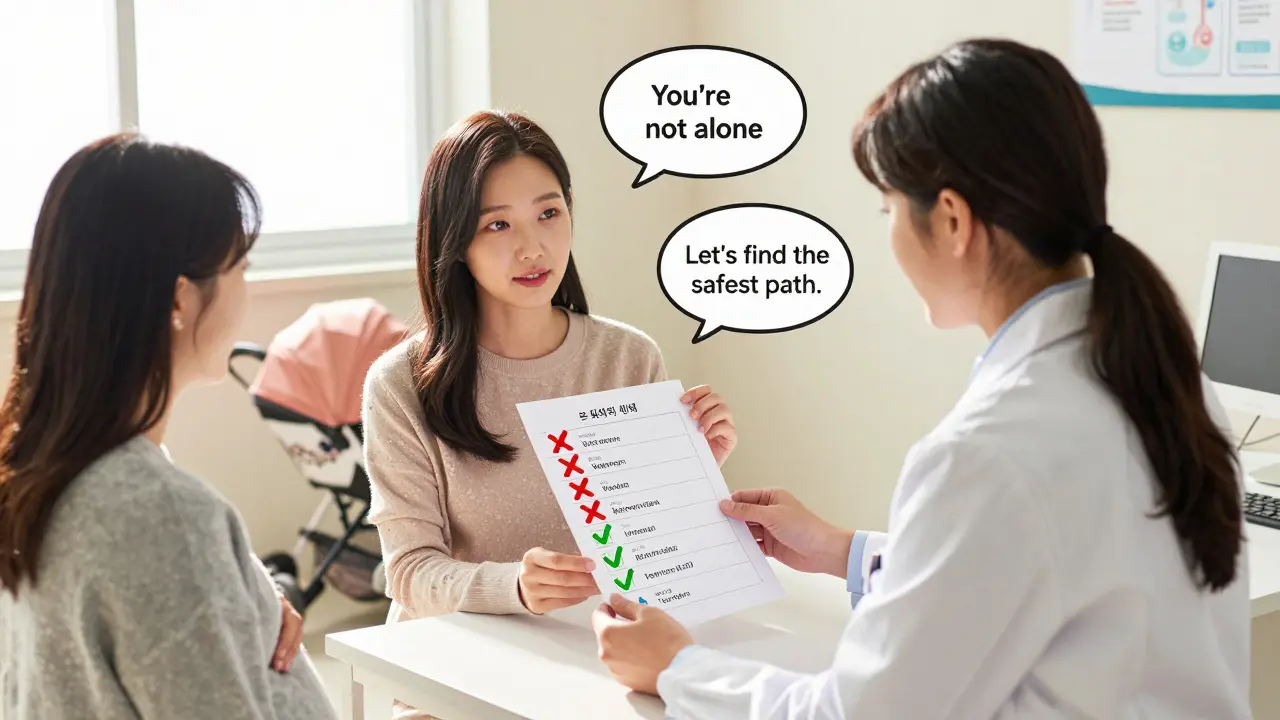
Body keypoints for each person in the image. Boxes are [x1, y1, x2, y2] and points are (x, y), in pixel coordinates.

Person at [591, 38, 1251, 719]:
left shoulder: (988, 451)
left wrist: (679, 669)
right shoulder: (1168, 380)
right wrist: (848, 553)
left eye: (888, 210)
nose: (888, 236)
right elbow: (1040, 572)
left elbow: (855, 715)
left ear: (954, 220)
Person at [361, 110, 736, 716]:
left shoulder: (628, 356)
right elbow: (409, 575)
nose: (533, 247)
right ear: (454, 241)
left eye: (548, 213)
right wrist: (514, 586)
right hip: (450, 677)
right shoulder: (400, 384)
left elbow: (649, 558)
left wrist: (692, 471)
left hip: (594, 668)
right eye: (498, 224)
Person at [0, 133, 336, 719]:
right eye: (240, 268)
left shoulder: (36, 476)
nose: (246, 292)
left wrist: (237, 601)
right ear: (180, 298)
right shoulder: (159, 515)